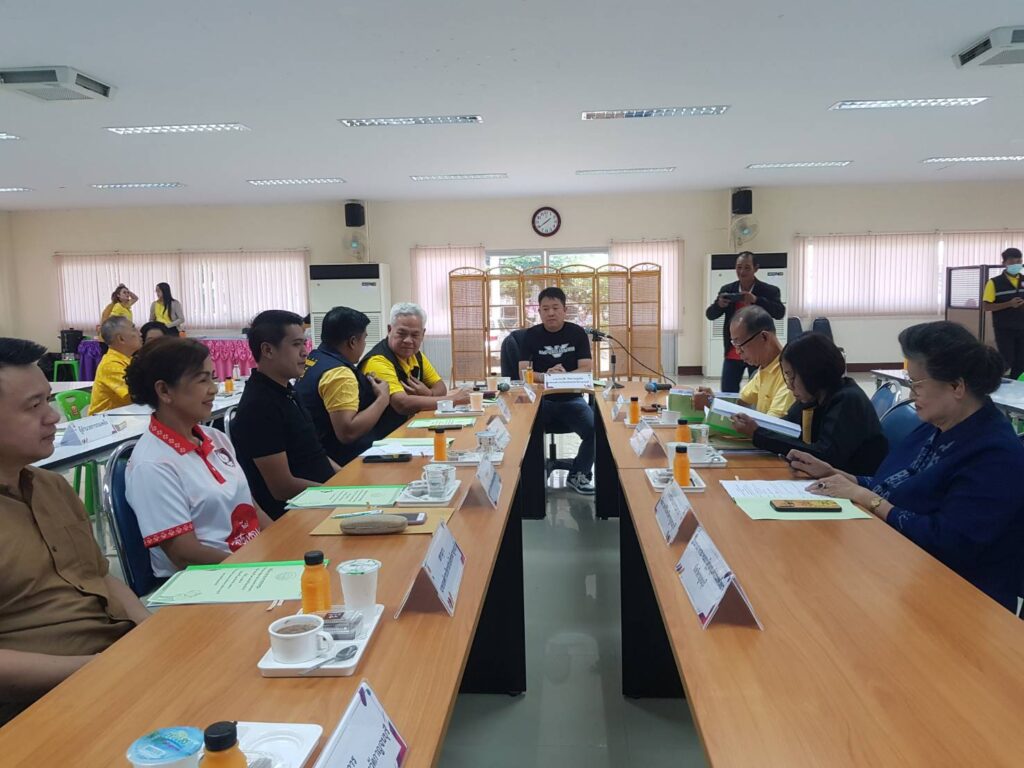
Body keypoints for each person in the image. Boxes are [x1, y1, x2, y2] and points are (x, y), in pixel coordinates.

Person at [795, 321, 1024, 612]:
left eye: (916, 384)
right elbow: (896, 486)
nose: (911, 395)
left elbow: (946, 541)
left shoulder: (995, 455)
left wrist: (865, 497)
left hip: (960, 602)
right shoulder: (937, 426)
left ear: (957, 386)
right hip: (903, 568)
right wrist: (842, 476)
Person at [0, 338, 150, 725]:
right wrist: (96, 667)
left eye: (48, 401)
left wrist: (149, 630)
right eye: (34, 406)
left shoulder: (52, 486)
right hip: (39, 703)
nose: (53, 417)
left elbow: (99, 575)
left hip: (115, 659)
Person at [124, 338, 271, 577]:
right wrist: (258, 568)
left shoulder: (215, 438)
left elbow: (250, 506)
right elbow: (184, 554)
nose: (214, 388)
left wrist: (281, 546)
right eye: (202, 380)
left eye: (212, 377)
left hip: (250, 562)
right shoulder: (152, 464)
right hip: (209, 579)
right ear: (164, 391)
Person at [230, 310, 338, 520]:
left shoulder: (287, 390)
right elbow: (282, 487)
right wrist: (338, 494)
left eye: (304, 344)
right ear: (268, 350)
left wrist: (346, 480)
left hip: (324, 498)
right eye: (296, 344)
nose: (305, 352)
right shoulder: (259, 406)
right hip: (298, 514)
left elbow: (315, 452)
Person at [732, 332, 888, 474]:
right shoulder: (813, 397)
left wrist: (758, 434)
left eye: (792, 377)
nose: (789, 385)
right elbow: (785, 427)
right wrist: (754, 427)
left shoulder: (848, 400)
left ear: (811, 373)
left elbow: (823, 456)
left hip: (858, 486)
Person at [518, 287, 595, 495]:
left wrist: (563, 376)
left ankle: (578, 474)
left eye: (555, 308)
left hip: (572, 399)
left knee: (594, 430)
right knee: (521, 431)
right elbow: (523, 372)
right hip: (540, 400)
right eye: (545, 309)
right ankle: (532, 478)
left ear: (564, 309)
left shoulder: (577, 333)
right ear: (539, 311)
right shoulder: (531, 335)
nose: (550, 313)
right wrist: (547, 376)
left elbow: (586, 368)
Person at [295, 306, 391, 467]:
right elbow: (348, 432)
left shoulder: (314, 358)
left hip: (313, 454)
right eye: (364, 339)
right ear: (352, 342)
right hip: (341, 462)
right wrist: (383, 399)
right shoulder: (339, 374)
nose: (364, 344)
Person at [360, 302, 469, 438]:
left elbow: (440, 387)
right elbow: (402, 403)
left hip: (410, 428)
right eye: (402, 333)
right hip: (383, 437)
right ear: (389, 329)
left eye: (415, 335)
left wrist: (429, 393)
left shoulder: (416, 355)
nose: (408, 340)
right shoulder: (377, 361)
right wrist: (453, 400)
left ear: (423, 334)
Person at [694, 305, 795, 422]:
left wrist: (712, 404)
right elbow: (740, 402)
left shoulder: (789, 376)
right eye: (734, 344)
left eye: (740, 344)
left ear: (764, 337)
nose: (737, 352)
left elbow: (773, 426)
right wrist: (712, 399)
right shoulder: (765, 368)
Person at [705, 252, 786, 392]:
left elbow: (779, 313)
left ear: (756, 268)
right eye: (739, 267)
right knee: (728, 390)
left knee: (758, 390)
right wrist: (719, 305)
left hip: (758, 350)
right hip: (733, 350)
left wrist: (756, 300)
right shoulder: (728, 290)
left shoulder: (769, 290)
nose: (742, 271)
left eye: (747, 268)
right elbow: (710, 315)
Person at [983, 247, 1024, 379]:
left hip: (1022, 327)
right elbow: (986, 306)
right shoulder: (994, 282)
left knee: (1021, 361)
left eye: (1019, 261)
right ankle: (995, 382)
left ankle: (1016, 386)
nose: (1016, 264)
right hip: (1004, 328)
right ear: (1004, 263)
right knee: (1007, 359)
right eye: (1012, 261)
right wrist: (1009, 304)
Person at [90, 316, 142, 413]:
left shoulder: (129, 359)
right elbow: (136, 394)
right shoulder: (110, 365)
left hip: (124, 416)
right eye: (134, 329)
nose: (140, 333)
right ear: (121, 339)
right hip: (104, 420)